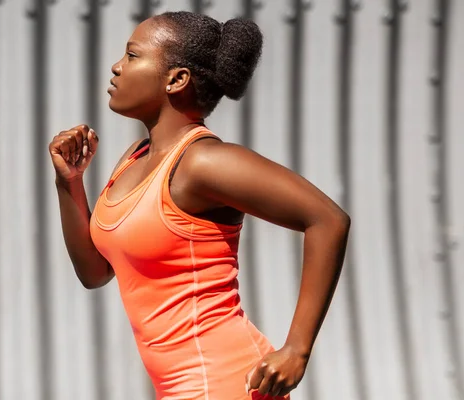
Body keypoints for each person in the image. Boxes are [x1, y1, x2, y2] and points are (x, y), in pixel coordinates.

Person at [49, 11, 350, 400]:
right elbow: (94, 272)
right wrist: (69, 181)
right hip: (182, 386)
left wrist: (297, 349)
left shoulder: (203, 163)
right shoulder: (134, 159)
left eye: (133, 55)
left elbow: (328, 219)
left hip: (224, 381)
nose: (117, 67)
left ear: (177, 79)